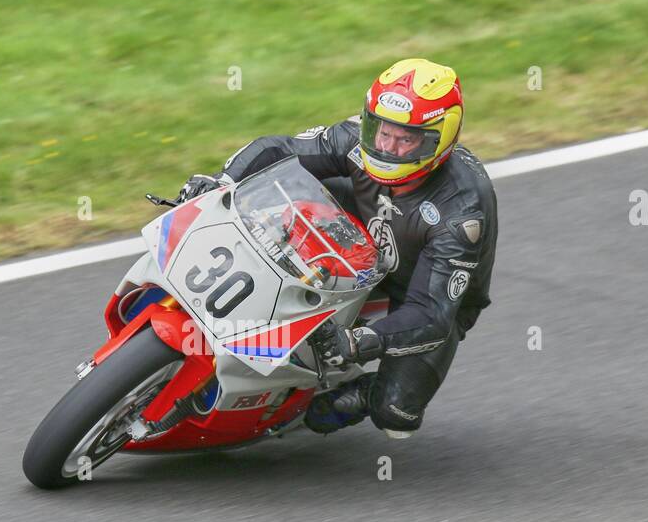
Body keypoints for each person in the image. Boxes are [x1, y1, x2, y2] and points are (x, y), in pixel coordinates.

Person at [174, 58, 498, 438]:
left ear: (437, 140)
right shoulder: (357, 138)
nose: (388, 147)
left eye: (405, 139)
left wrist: (358, 342)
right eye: (383, 132)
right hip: (354, 229)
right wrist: (220, 182)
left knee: (397, 415)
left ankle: (358, 394)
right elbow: (279, 148)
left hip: (419, 288)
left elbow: (431, 314)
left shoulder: (461, 213)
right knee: (282, 196)